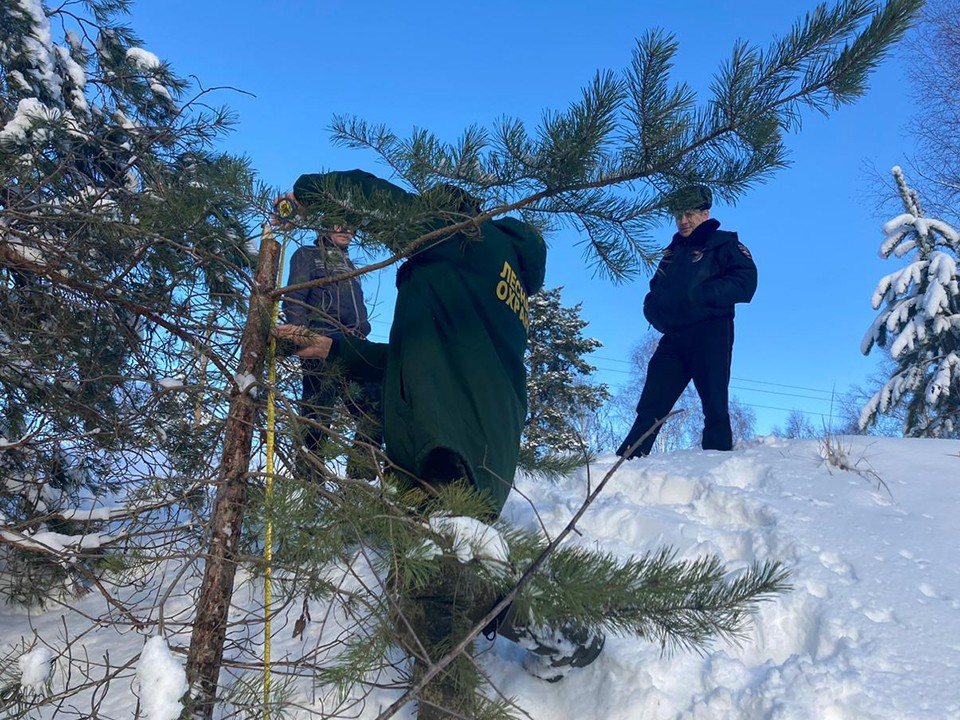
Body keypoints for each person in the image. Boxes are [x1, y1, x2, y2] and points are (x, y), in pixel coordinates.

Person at [275, 169, 603, 719]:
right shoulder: (482, 279)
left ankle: (476, 684)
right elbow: (408, 356)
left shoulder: (465, 237)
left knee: (431, 595)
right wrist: (330, 348)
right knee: (435, 573)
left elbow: (369, 194)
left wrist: (305, 194)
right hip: (466, 436)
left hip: (450, 437)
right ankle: (560, 630)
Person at [617, 184, 757, 459]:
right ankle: (625, 463)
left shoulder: (723, 243)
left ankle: (716, 464)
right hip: (674, 337)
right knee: (651, 404)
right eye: (678, 214)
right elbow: (655, 289)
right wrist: (654, 311)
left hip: (711, 331)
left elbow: (746, 282)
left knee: (714, 404)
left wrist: (700, 296)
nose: (683, 220)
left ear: (705, 214)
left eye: (690, 213)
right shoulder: (672, 253)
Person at [278, 212, 382, 479]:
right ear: (323, 225)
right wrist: (301, 334)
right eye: (338, 223)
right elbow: (295, 297)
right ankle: (309, 484)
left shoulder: (350, 264)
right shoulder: (308, 255)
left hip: (355, 342)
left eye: (351, 226)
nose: (345, 229)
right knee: (318, 415)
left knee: (375, 405)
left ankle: (361, 481)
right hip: (321, 338)